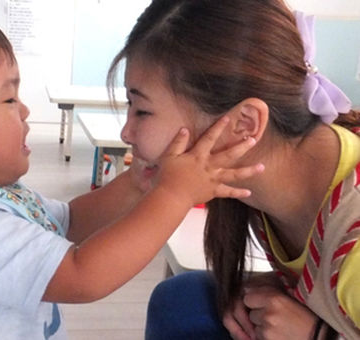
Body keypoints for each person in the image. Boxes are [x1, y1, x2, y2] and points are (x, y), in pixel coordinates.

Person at [0, 4, 264, 340]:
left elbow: (67, 222)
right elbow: (84, 275)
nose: (26, 110)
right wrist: (171, 196)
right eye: (9, 98)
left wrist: (136, 187)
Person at [106, 0, 360, 339]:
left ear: (243, 124)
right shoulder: (266, 174)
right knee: (183, 302)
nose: (126, 133)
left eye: (142, 111)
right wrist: (283, 288)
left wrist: (317, 334)